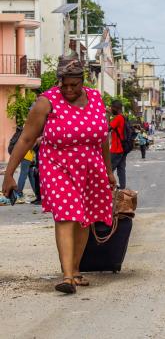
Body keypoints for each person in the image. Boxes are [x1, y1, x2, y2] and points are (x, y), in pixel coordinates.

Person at [1, 53, 116, 294]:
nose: (69, 89)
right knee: (66, 214)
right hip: (57, 165)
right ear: (59, 80)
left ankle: (75, 270)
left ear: (83, 80)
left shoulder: (95, 98)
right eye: (64, 84)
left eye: (74, 84)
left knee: (84, 217)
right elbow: (26, 139)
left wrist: (108, 170)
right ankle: (66, 277)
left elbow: (103, 138)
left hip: (91, 166)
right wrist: (9, 174)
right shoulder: (47, 101)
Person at [110, 100, 127, 189]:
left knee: (108, 169)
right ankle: (122, 188)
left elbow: (108, 128)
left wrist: (107, 115)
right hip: (123, 148)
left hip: (116, 149)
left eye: (112, 107)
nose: (111, 109)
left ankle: (107, 188)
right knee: (121, 169)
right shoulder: (123, 117)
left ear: (116, 108)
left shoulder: (118, 118)